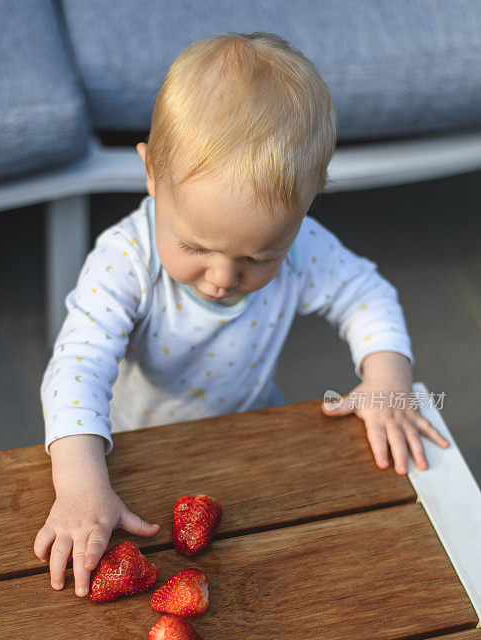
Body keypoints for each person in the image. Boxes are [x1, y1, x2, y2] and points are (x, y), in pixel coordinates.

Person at [34, 32, 449, 596]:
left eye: (259, 256)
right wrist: (80, 484)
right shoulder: (127, 261)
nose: (225, 277)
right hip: (128, 446)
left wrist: (386, 379)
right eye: (197, 247)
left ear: (306, 208)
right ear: (152, 173)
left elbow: (364, 293)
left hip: (250, 427)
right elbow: (77, 367)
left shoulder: (302, 247)